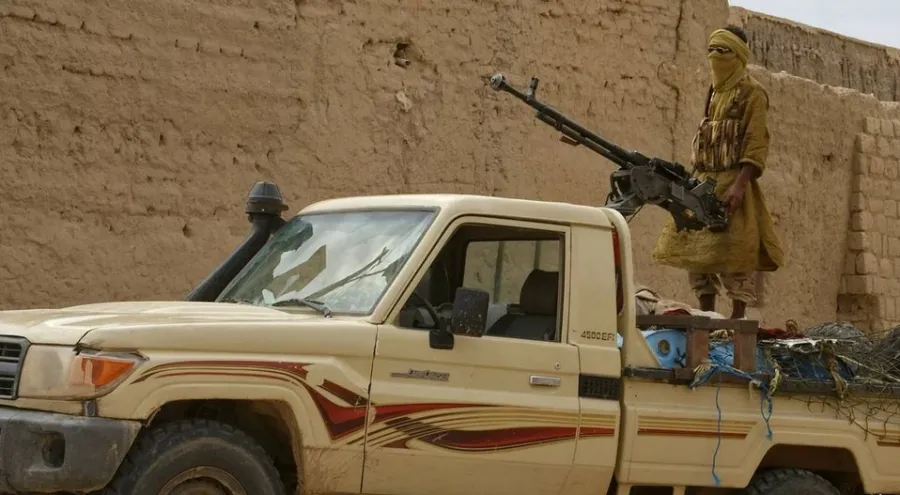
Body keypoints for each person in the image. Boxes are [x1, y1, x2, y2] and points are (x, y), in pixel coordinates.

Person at [652, 25, 785, 320]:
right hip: (704, 180)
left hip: (733, 182)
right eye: (711, 50)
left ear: (738, 55)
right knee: (696, 251)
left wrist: (739, 185)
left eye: (722, 51)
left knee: (735, 253)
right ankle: (707, 318)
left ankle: (737, 321)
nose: (715, 57)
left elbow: (756, 141)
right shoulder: (713, 91)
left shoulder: (752, 93)